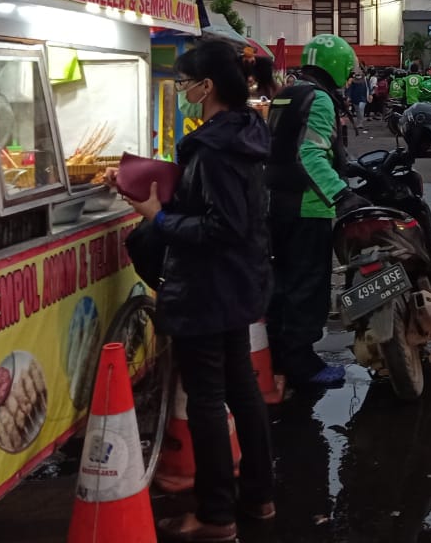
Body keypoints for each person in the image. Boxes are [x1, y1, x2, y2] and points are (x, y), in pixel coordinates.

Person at [115, 39, 274, 540]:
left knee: (208, 398)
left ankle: (216, 515)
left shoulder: (214, 147)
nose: (182, 90)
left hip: (208, 285)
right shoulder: (245, 134)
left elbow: (218, 226)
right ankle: (259, 496)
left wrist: (158, 217)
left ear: (207, 87)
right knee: (241, 387)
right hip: (237, 282)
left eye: (185, 83)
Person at [265, 34, 363, 392]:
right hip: (307, 206)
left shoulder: (290, 92)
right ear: (335, 66)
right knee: (307, 288)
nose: (349, 77)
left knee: (283, 286)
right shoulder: (319, 99)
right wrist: (341, 196)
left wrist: (348, 167)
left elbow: (296, 145)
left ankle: (280, 356)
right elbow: (308, 156)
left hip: (277, 202)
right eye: (347, 71)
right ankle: (302, 363)